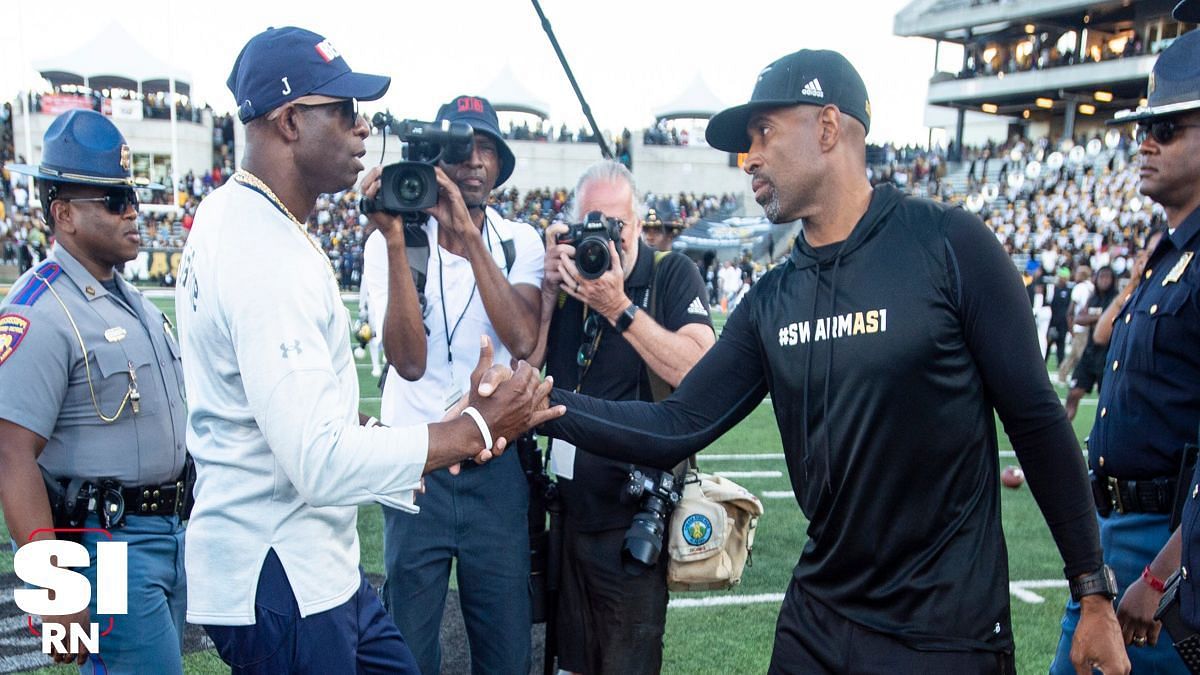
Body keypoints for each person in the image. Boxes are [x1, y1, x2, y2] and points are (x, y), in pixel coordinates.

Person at [538, 48, 1128, 674]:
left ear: (827, 128)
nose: (749, 158)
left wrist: (1091, 589)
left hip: (945, 636)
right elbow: (678, 424)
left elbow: (1037, 420)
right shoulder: (772, 297)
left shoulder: (948, 245)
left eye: (763, 133)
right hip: (816, 624)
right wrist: (538, 405)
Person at [175, 27, 560, 673]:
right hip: (280, 569)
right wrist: (471, 429)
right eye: (347, 111)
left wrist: (373, 427)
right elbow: (320, 459)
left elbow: (292, 411)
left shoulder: (247, 221)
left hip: (313, 564)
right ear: (291, 119)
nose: (364, 129)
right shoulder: (263, 250)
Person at [0, 109, 189, 674]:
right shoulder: (39, 311)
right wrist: (51, 591)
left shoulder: (132, 300)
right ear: (65, 215)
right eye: (113, 200)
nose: (133, 211)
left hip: (170, 531)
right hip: (108, 544)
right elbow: (11, 456)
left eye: (132, 195)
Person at [363, 94, 545, 675]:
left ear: (499, 166)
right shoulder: (390, 242)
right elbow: (408, 361)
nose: (473, 161)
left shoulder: (520, 241)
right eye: (460, 147)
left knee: (505, 647)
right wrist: (397, 242)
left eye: (485, 148)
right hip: (416, 465)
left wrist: (468, 237)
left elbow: (520, 337)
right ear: (435, 160)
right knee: (408, 650)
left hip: (495, 465)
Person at [530, 160, 715, 674]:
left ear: (637, 225)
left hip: (631, 526)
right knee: (568, 665)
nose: (606, 240)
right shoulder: (568, 284)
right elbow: (528, 362)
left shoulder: (669, 275)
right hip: (566, 518)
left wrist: (618, 307)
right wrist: (548, 294)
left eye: (617, 225)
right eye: (594, 223)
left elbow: (700, 369)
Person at [1094, 27, 1200, 669]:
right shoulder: (1166, 256)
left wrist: (1165, 574)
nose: (1145, 142)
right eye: (1143, 128)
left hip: (1171, 553)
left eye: (1169, 128)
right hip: (1117, 542)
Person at [1062, 266, 1115, 422]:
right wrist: (1101, 318)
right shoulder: (1093, 298)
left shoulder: (1115, 299)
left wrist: (1095, 318)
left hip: (1107, 356)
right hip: (1090, 353)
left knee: (1106, 401)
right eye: (1101, 276)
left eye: (1108, 277)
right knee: (1073, 394)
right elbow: (1079, 318)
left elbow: (1112, 323)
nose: (1104, 280)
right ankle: (1063, 434)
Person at [1058, 265, 1093, 384]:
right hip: (1089, 324)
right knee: (1078, 354)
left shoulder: (1079, 288)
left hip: (1079, 324)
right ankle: (1068, 376)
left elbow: (1071, 310)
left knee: (1077, 354)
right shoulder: (1092, 287)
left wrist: (1070, 326)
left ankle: (1066, 376)